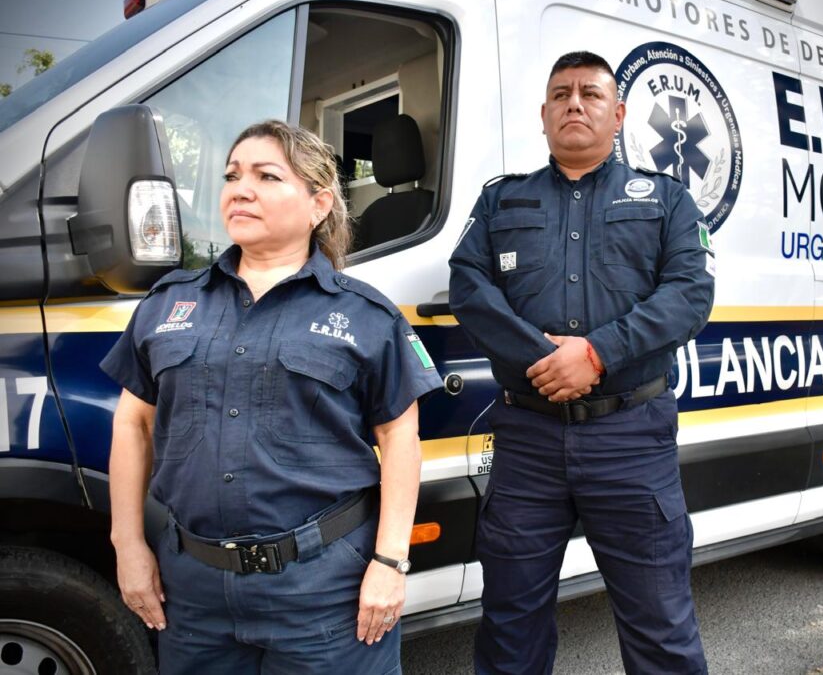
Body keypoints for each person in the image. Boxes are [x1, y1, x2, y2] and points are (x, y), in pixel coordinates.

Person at [102, 120, 442, 674]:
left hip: (323, 590)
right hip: (193, 589)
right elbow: (132, 426)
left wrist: (389, 561)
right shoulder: (168, 304)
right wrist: (128, 545)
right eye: (232, 175)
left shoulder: (366, 315)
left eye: (267, 176)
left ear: (317, 204)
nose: (241, 188)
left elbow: (400, 437)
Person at [449, 51, 714, 674]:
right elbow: (469, 286)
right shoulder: (500, 202)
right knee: (511, 625)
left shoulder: (668, 201)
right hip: (528, 441)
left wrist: (596, 354)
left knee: (661, 627)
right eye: (561, 94)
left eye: (591, 94)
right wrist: (545, 359)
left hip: (631, 439)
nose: (575, 103)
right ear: (543, 116)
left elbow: (690, 294)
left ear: (617, 114)